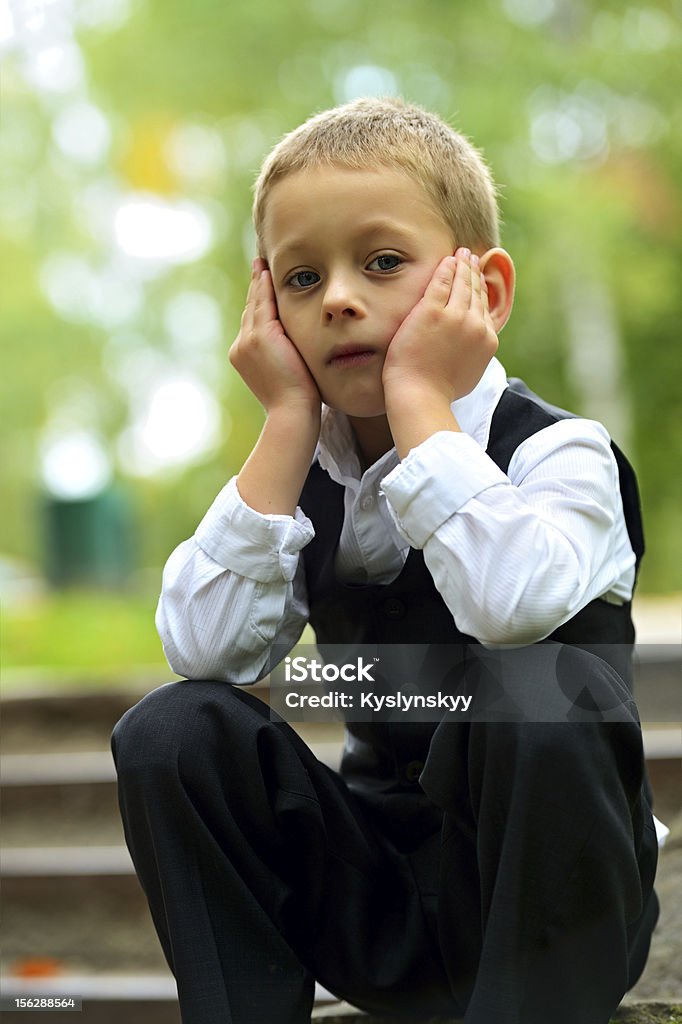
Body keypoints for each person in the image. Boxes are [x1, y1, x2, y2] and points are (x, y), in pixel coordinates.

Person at [112, 97, 660, 1024]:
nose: (337, 298)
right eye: (299, 278)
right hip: (383, 905)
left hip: (550, 908)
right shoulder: (299, 476)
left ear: (482, 291)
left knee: (542, 686)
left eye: (382, 263)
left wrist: (419, 405)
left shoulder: (559, 453)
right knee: (170, 729)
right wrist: (287, 424)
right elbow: (203, 653)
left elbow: (514, 610)